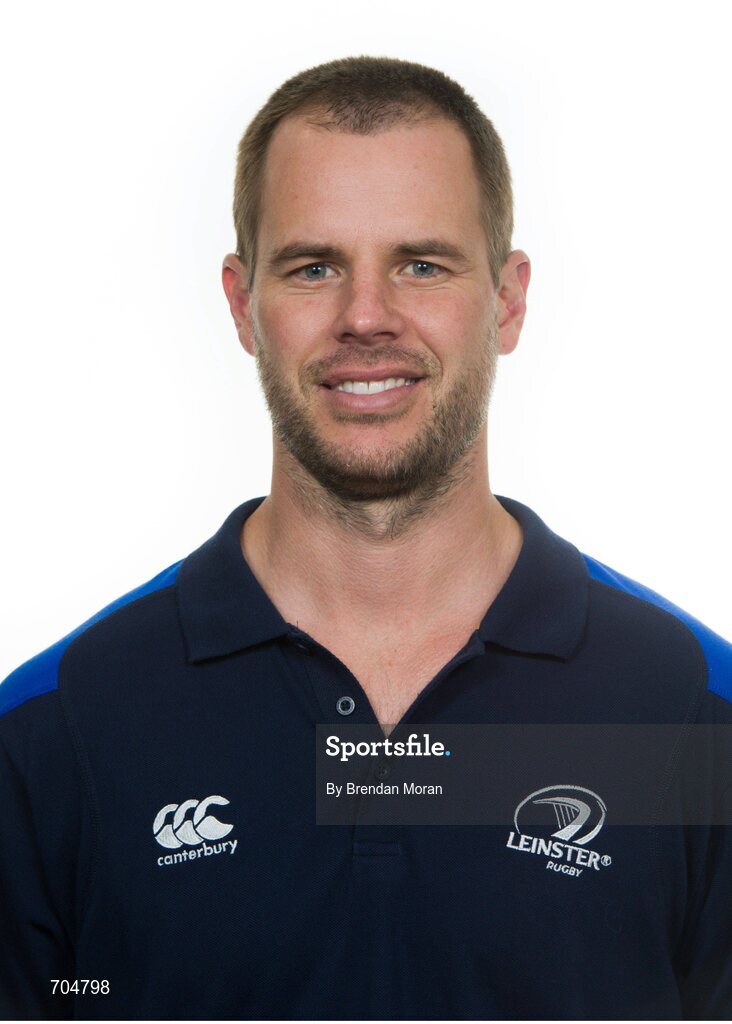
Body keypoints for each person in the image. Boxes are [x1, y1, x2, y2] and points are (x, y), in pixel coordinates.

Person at [1, 54, 731, 1021]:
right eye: (314, 268)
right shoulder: (57, 732)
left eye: (422, 264)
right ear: (241, 303)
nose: (366, 318)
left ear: (508, 302)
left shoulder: (690, 714)